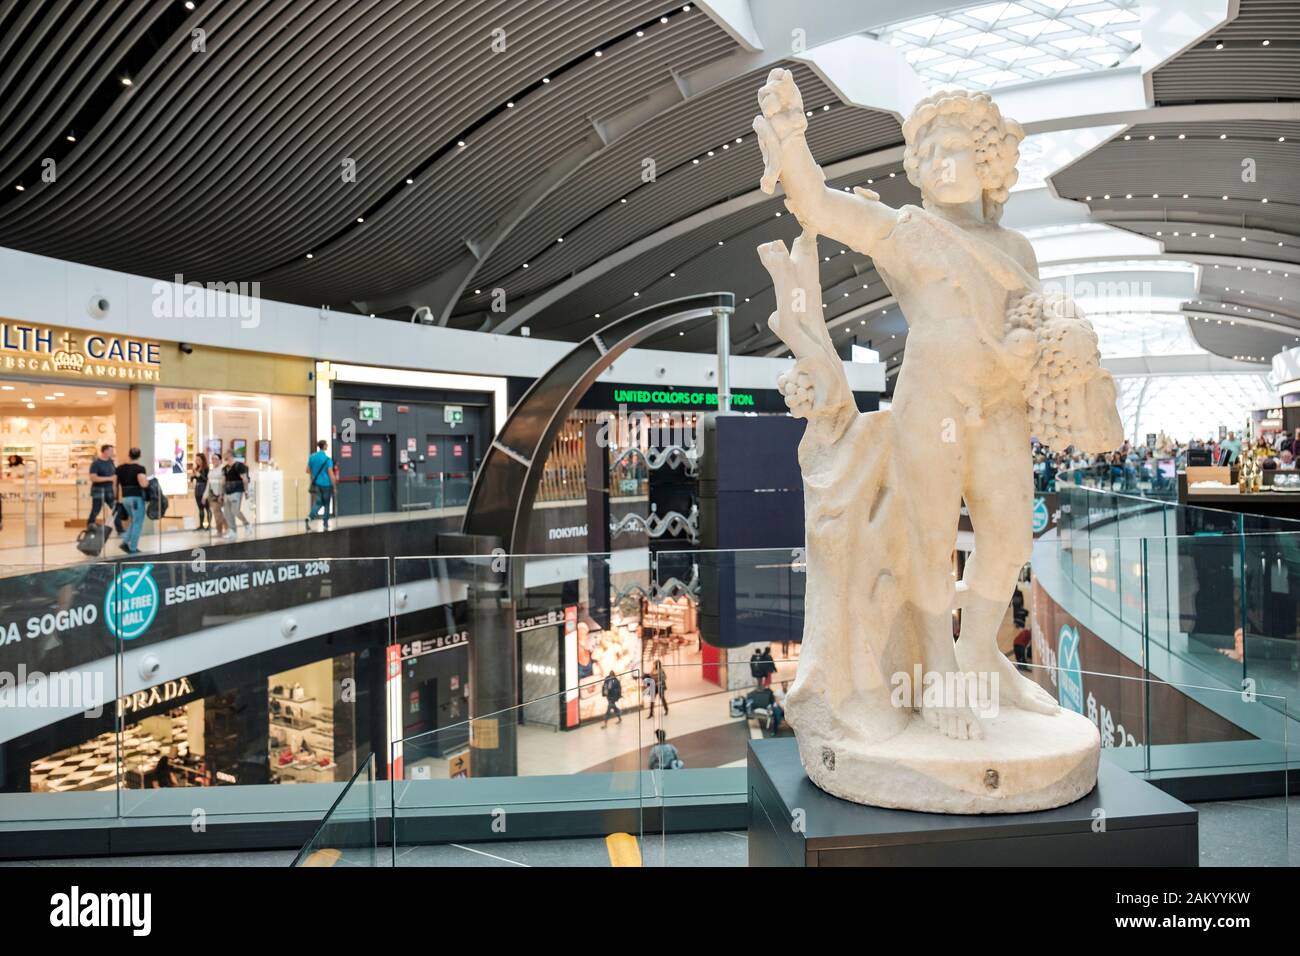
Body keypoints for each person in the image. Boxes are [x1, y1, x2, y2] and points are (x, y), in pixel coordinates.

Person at [115, 447, 149, 554]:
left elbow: (114, 484)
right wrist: (148, 483)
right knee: (138, 522)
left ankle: (125, 542)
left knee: (134, 521)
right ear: (139, 456)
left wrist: (116, 498)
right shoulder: (140, 468)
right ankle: (133, 548)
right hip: (136, 499)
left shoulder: (120, 468)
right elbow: (143, 483)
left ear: (128, 455)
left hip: (125, 499)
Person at [305, 439, 336, 531]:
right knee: (326, 504)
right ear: (324, 446)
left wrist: (315, 475)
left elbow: (307, 470)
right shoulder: (327, 459)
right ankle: (325, 523)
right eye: (327, 444)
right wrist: (334, 486)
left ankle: (310, 517)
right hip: (327, 485)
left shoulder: (312, 457)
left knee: (318, 502)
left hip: (317, 484)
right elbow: (331, 473)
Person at [220, 449, 250, 539]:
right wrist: (221, 494)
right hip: (227, 492)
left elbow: (245, 479)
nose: (224, 456)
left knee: (235, 510)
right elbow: (223, 481)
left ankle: (247, 524)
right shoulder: (224, 468)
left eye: (225, 454)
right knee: (227, 512)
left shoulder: (239, 466)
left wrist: (246, 491)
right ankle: (233, 530)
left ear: (229, 454)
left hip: (236, 491)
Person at [86, 444, 117, 533]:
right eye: (111, 451)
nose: (112, 452)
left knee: (115, 509)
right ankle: (90, 527)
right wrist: (109, 478)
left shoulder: (111, 462)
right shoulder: (96, 463)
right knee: (96, 509)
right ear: (105, 451)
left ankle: (120, 529)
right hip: (98, 491)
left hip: (109, 490)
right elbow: (93, 478)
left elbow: (114, 475)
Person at [205, 457, 227, 536]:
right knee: (218, 513)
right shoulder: (212, 470)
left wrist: (221, 494)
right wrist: (205, 495)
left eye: (216, 459)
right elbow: (209, 483)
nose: (214, 460)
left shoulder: (223, 469)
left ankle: (220, 531)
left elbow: (223, 483)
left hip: (219, 494)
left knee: (217, 512)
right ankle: (227, 529)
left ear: (220, 460)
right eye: (212, 459)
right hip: (212, 494)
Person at [192, 452, 211, 530]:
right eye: (196, 460)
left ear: (203, 460)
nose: (197, 461)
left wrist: (199, 475)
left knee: (207, 508)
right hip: (197, 490)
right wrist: (193, 476)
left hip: (205, 489)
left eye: (199, 459)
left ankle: (209, 526)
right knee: (200, 508)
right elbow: (194, 479)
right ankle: (201, 526)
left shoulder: (207, 469)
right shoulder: (196, 468)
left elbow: (207, 480)